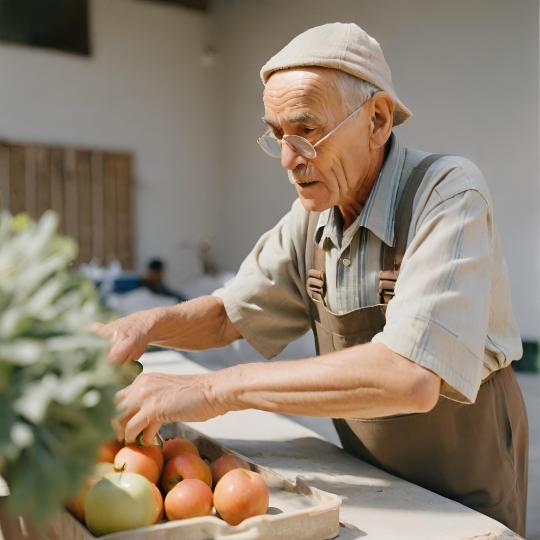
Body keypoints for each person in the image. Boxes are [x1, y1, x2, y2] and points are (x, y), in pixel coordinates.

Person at [93, 23, 528, 535]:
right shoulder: (313, 218)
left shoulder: (449, 194)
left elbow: (409, 378)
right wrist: (144, 324)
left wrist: (215, 389)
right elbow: (229, 315)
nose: (288, 158)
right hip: (373, 475)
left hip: (465, 480)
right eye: (276, 134)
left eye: (305, 131)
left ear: (378, 120)